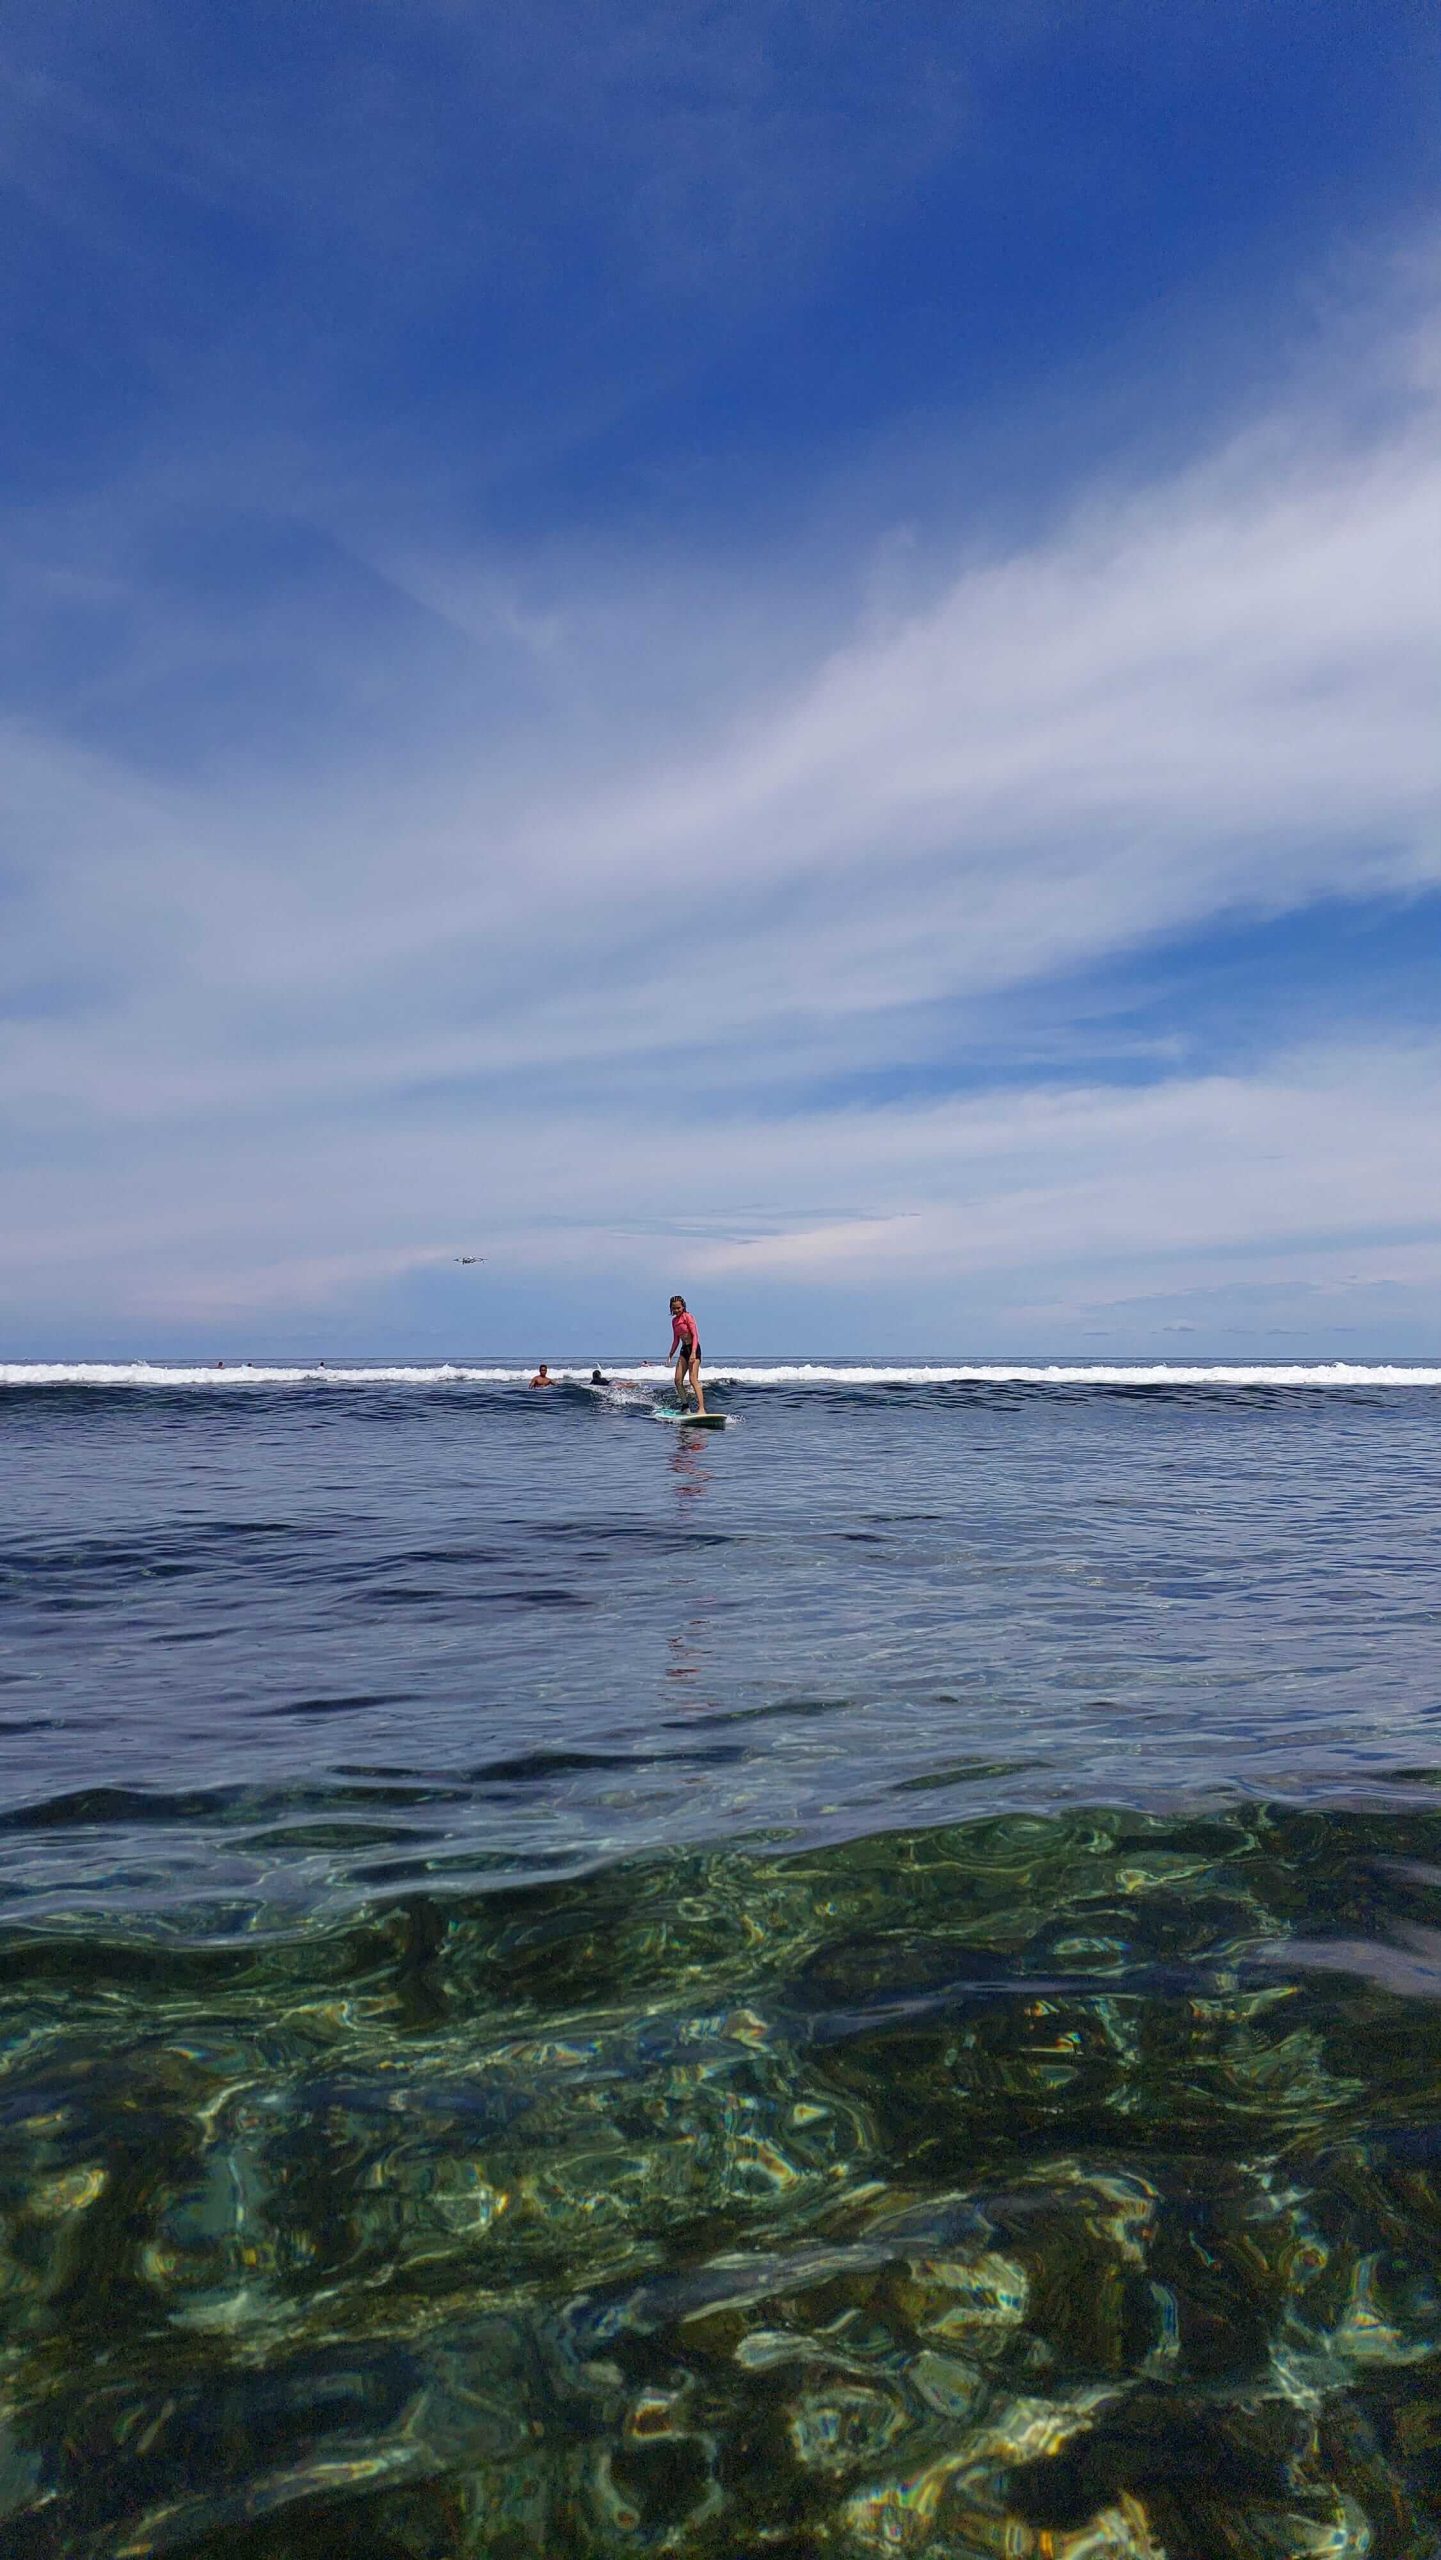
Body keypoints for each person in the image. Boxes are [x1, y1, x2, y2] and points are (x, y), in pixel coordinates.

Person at [668, 1295, 705, 1414]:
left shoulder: (688, 1317)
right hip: (684, 1350)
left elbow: (695, 1336)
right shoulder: (674, 1321)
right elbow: (676, 1340)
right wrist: (670, 1354)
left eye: (679, 1308)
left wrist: (693, 1353)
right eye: (674, 1308)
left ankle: (701, 1409)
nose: (677, 1310)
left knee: (693, 1379)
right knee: (677, 1380)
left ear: (683, 1306)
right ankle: (685, 1406)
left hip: (693, 1349)